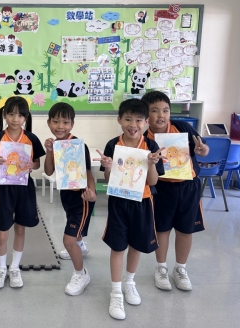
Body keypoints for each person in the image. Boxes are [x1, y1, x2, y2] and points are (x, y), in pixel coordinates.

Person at [97, 98, 165, 320]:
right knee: (118, 246)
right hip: (119, 202)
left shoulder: (151, 146)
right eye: (128, 119)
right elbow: (109, 179)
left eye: (138, 120)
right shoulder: (113, 145)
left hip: (143, 201)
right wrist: (108, 167)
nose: (132, 124)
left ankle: (129, 282)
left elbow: (153, 182)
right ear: (119, 120)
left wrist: (152, 164)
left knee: (136, 244)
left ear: (146, 122)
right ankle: (116, 292)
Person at [141, 91, 209, 292]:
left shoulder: (183, 128)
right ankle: (161, 268)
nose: (161, 115)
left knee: (185, 229)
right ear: (146, 116)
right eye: (154, 111)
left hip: (188, 187)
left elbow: (203, 148)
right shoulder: (145, 140)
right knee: (162, 229)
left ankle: (180, 269)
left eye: (165, 110)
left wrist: (202, 151)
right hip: (161, 188)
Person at [0, 96, 46, 289]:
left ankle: (14, 267)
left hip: (24, 188)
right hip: (4, 189)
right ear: (4, 115)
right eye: (11, 114)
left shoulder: (31, 138)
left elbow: (36, 163)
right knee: (2, 232)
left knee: (20, 229)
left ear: (26, 117)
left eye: (20, 115)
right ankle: (1, 268)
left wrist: (31, 166)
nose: (15, 119)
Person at [43, 103, 97, 296]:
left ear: (72, 124)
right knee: (73, 227)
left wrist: (92, 193)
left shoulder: (78, 145)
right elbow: (49, 171)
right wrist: (49, 151)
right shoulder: (55, 145)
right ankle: (80, 245)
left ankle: (81, 274)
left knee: (68, 240)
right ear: (49, 123)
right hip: (66, 195)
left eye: (65, 122)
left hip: (82, 198)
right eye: (56, 121)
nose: (60, 126)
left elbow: (88, 172)